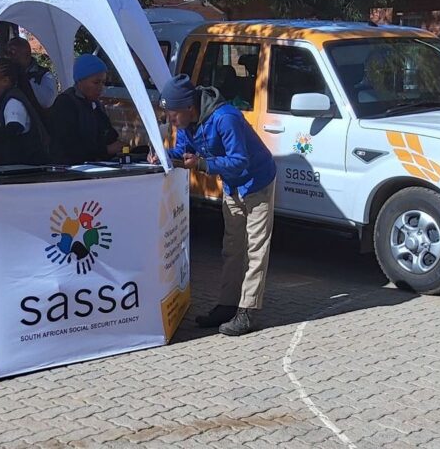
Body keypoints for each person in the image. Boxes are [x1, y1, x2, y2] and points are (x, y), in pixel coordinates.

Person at [151, 74, 276, 336]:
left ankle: (248, 311)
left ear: (188, 106)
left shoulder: (225, 117)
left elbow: (239, 160)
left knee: (256, 250)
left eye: (172, 114)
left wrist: (203, 164)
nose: (170, 121)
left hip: (257, 182)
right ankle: (227, 305)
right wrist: (161, 155)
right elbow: (183, 152)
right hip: (232, 185)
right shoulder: (187, 124)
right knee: (232, 248)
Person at [50, 54, 124, 164]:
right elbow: (68, 146)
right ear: (80, 81)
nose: (100, 87)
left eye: (103, 83)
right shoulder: (65, 103)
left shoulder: (96, 105)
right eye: (96, 82)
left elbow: (109, 135)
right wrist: (106, 150)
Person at [0, 57, 52, 166]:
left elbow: (13, 132)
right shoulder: (1, 102)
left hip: (28, 170)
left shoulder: (13, 103)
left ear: (5, 81)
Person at [6, 36, 58, 109]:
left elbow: (47, 102)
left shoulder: (44, 75)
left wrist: (25, 78)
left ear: (26, 53)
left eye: (13, 52)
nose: (9, 56)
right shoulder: (6, 75)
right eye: (8, 52)